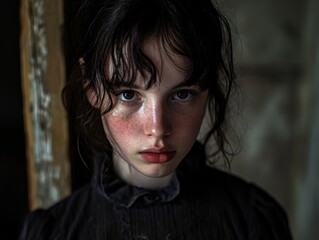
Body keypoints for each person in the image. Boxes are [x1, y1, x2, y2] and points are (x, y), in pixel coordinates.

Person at [20, 0, 293, 239]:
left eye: (182, 94)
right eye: (128, 94)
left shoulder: (251, 222)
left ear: (207, 89)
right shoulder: (57, 232)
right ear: (92, 88)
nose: (157, 128)